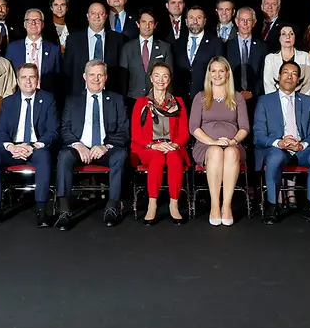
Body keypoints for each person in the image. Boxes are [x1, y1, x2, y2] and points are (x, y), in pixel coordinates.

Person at [0, 63, 58, 228]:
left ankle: (41, 210)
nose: (28, 81)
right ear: (17, 79)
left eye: (32, 77)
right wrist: (11, 147)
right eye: (24, 77)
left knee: (44, 155)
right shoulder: (9, 102)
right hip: (13, 148)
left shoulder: (48, 99)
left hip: (36, 148)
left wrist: (33, 147)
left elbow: (53, 131)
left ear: (37, 79)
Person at [54, 60, 129, 230]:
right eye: (92, 75)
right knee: (64, 155)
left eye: (100, 75)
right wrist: (78, 145)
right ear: (84, 77)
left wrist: (105, 146)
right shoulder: (73, 100)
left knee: (120, 155)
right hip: (79, 149)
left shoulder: (116, 100)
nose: (96, 79)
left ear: (106, 77)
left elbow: (124, 131)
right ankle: (64, 210)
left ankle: (112, 206)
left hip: (104, 150)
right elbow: (64, 129)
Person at [254, 61, 310, 226]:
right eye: (285, 72)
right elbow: (258, 136)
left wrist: (301, 145)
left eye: (294, 73)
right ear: (279, 77)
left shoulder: (308, 102)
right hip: (277, 149)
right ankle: (273, 206)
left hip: (301, 149)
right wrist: (279, 143)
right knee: (274, 158)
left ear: (298, 80)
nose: (289, 76)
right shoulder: (265, 101)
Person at [189, 56, 250, 226]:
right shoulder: (200, 97)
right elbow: (193, 127)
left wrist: (233, 141)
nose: (217, 75)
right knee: (215, 152)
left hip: (233, 145)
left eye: (221, 71)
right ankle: (215, 206)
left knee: (230, 153)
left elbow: (244, 127)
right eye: (213, 71)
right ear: (209, 74)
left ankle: (227, 205)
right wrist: (212, 142)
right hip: (205, 145)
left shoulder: (237, 97)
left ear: (227, 74)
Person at [130, 62, 189, 225]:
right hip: (148, 147)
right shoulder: (141, 103)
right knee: (157, 159)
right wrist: (152, 145)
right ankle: (152, 204)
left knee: (174, 159)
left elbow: (184, 132)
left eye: (165, 76)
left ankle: (174, 204)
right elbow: (135, 133)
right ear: (151, 78)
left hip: (172, 145)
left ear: (169, 79)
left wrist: (175, 145)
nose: (160, 80)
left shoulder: (178, 102)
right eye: (157, 75)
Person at [63, 2, 125, 95]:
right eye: (93, 13)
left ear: (106, 16)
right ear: (87, 16)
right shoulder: (73, 39)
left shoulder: (118, 39)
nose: (97, 16)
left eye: (101, 13)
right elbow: (68, 69)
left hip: (110, 94)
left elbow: (121, 71)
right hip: (80, 94)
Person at [173, 5, 224, 103]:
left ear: (204, 21)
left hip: (206, 98)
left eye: (199, 18)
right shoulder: (177, 43)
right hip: (180, 98)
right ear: (186, 21)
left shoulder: (216, 43)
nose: (195, 21)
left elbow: (220, 71)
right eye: (191, 18)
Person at [120, 8, 173, 101]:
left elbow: (169, 75)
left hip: (158, 99)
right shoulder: (127, 47)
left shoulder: (165, 47)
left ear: (155, 25)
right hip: (133, 99)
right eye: (144, 22)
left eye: (151, 22)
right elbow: (123, 77)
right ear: (138, 24)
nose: (147, 26)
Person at [5, 9, 62, 93]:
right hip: (19, 96)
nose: (33, 23)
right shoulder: (13, 48)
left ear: (42, 24)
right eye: (29, 20)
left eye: (37, 20)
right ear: (24, 24)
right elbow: (8, 76)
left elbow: (58, 77)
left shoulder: (54, 48)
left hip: (45, 97)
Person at [225, 6, 266, 103]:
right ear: (236, 21)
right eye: (242, 20)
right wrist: (236, 93)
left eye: (249, 20)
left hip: (256, 98)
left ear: (254, 22)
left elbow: (264, 74)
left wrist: (252, 93)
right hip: (232, 98)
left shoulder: (262, 47)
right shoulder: (226, 46)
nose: (245, 23)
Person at [262, 24, 310, 95]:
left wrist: (301, 100)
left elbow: (308, 82)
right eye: (283, 34)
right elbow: (268, 83)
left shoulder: (305, 56)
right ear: (279, 37)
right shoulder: (270, 58)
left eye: (291, 34)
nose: (288, 37)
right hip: (276, 99)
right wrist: (277, 101)